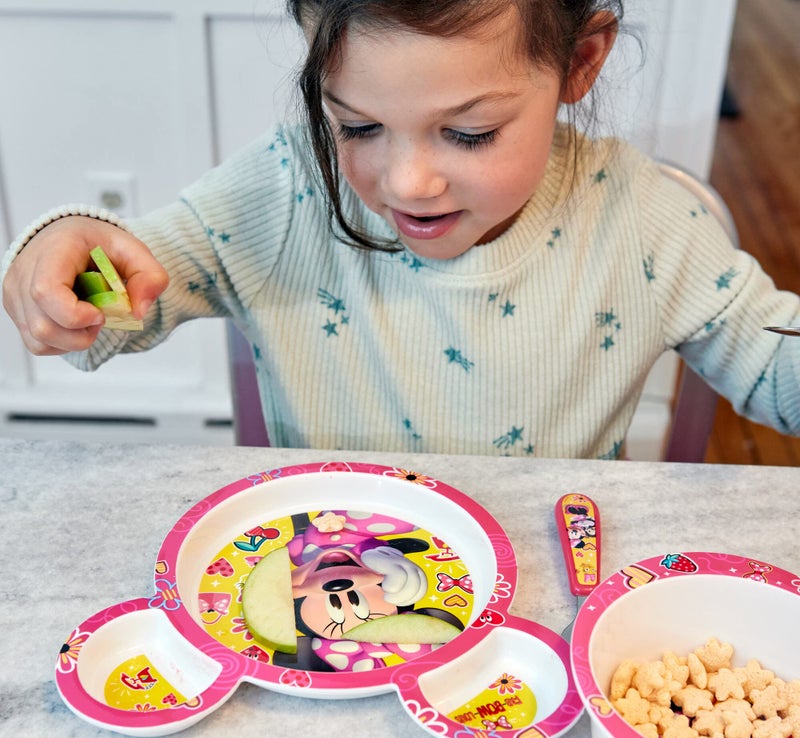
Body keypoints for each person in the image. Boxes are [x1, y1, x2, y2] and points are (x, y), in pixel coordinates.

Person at [1, 0, 798, 458]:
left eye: (469, 133)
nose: (407, 182)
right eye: (357, 126)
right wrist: (65, 262)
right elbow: (123, 290)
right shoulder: (288, 188)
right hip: (332, 595)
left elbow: (769, 362)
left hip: (547, 613)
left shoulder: (642, 221)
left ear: (582, 61)